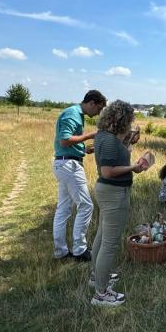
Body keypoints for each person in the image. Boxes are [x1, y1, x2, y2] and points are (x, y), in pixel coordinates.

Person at [90, 100, 144, 307]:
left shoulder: (104, 136)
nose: (130, 124)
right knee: (110, 244)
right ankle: (101, 294)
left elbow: (118, 153)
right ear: (120, 120)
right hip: (114, 193)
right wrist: (133, 168)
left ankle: (97, 277)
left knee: (102, 237)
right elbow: (108, 171)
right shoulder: (110, 141)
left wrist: (129, 141)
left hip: (107, 191)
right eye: (129, 120)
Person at [52, 89, 107, 261]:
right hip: (69, 166)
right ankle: (80, 250)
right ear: (92, 103)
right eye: (98, 109)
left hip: (64, 163)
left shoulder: (77, 114)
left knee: (64, 208)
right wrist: (92, 135)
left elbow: (69, 143)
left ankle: (60, 251)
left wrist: (84, 149)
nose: (97, 113)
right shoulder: (72, 114)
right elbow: (64, 140)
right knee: (86, 206)